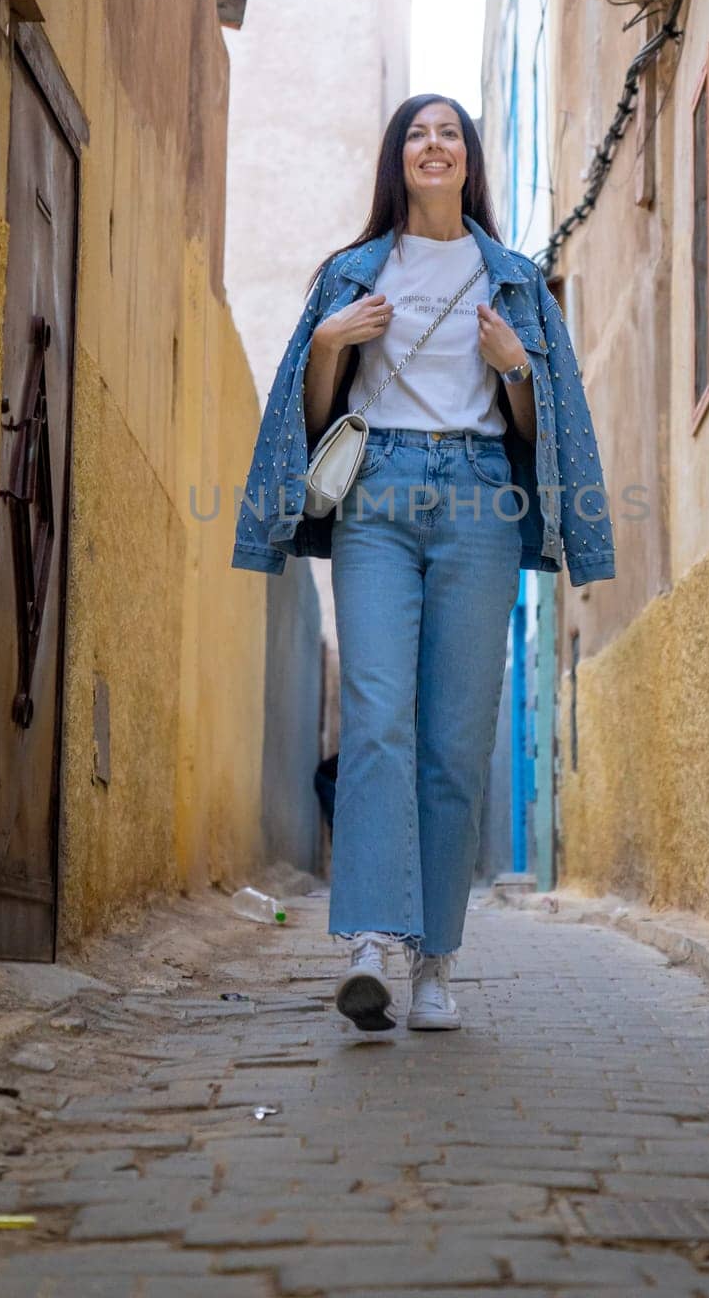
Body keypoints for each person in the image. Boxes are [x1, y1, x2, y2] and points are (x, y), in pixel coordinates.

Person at [232, 94, 615, 1033]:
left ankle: (433, 965)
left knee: (452, 742)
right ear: (396, 160)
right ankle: (366, 943)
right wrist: (327, 344)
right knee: (375, 721)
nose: (432, 145)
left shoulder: (514, 280)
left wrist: (513, 365)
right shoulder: (353, 271)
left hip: (481, 496)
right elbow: (316, 414)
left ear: (468, 159)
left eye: (448, 133)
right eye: (416, 133)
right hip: (377, 494)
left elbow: (539, 430)